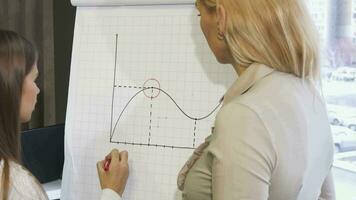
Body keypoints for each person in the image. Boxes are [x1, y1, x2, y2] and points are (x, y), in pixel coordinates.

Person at [98, 0, 336, 199]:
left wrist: (110, 195)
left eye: (200, 13)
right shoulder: (309, 93)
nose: (200, 25)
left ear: (221, 18)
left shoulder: (245, 117)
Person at [0, 29, 127, 200]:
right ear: (12, 86)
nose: (37, 90)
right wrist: (112, 191)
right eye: (34, 79)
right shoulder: (15, 186)